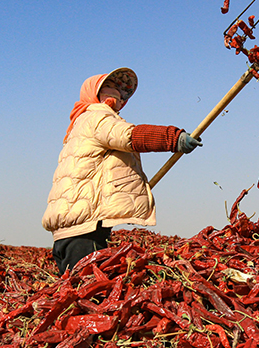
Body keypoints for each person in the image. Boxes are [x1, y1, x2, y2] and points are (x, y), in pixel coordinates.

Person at [42, 67, 202, 275]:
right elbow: (129, 136)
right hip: (84, 233)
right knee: (93, 295)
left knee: (81, 296)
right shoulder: (96, 118)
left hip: (73, 233)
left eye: (119, 89)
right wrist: (173, 138)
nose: (116, 92)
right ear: (94, 94)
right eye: (109, 87)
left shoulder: (81, 124)